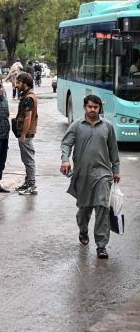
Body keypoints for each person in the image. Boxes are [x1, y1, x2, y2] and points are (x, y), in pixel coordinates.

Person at [60, 95, 120, 259]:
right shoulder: (77, 125)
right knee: (84, 208)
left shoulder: (107, 126)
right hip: (83, 173)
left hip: (103, 174)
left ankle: (101, 245)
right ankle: (83, 229)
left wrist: (116, 169)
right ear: (85, 107)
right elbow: (66, 143)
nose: (93, 110)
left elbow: (113, 149)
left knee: (102, 207)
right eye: (90, 107)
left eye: (96, 107)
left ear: (100, 108)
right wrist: (65, 160)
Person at [14, 72, 38, 195]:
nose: (16, 85)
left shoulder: (29, 98)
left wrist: (23, 135)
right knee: (26, 160)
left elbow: (28, 118)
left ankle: (32, 185)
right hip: (26, 133)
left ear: (25, 83)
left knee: (28, 160)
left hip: (26, 134)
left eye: (18, 82)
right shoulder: (28, 95)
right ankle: (28, 183)